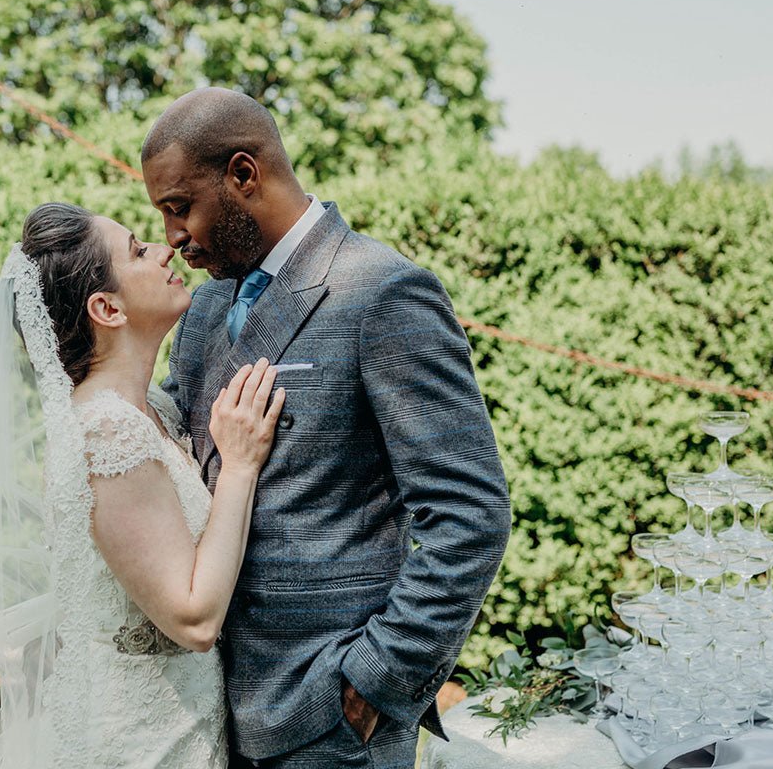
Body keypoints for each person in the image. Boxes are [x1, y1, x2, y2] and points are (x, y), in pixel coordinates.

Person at [144, 88, 512, 768]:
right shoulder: (199, 314)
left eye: (178, 207)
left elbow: (470, 512)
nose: (172, 237)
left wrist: (373, 682)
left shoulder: (383, 291)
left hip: (329, 724)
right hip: (205, 719)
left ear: (244, 175)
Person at [0, 201, 284, 768]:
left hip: (175, 723)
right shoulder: (105, 434)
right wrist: (242, 465)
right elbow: (193, 618)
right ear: (106, 307)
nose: (164, 249)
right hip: (134, 742)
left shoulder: (149, 411)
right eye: (137, 249)